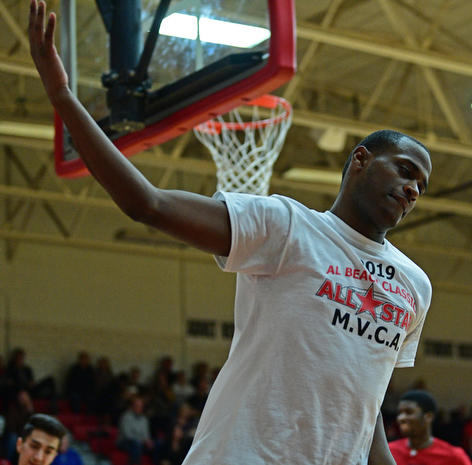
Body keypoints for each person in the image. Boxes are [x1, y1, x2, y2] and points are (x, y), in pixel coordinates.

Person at [28, 2, 433, 464]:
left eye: (421, 186)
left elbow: (366, 405)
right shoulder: (285, 225)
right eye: (404, 171)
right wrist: (63, 97)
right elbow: (148, 204)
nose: (412, 189)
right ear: (360, 160)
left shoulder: (414, 285)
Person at [389, 390, 472, 465]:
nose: (401, 418)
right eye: (400, 413)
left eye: (409, 412)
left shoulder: (454, 456)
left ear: (428, 417)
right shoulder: (388, 451)